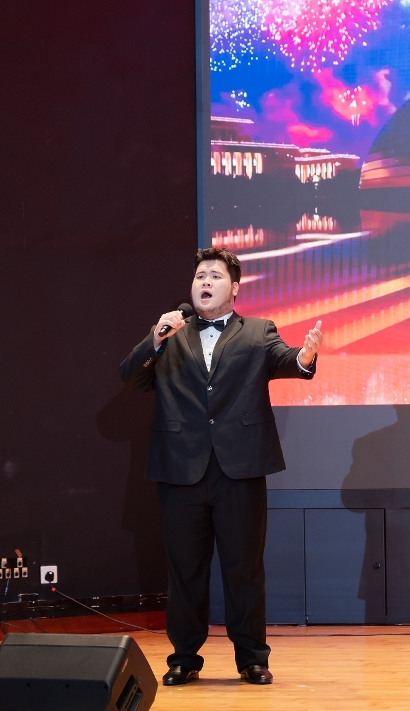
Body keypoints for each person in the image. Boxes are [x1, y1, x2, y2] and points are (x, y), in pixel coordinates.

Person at [120, 248, 323, 687]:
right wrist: (155, 339)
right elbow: (131, 377)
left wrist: (304, 357)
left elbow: (284, 359)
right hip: (180, 468)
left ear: (234, 288)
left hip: (239, 468)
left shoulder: (257, 331)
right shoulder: (171, 333)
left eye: (214, 276)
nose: (205, 282)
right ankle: (184, 658)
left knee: (243, 568)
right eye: (199, 276)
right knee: (184, 571)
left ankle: (252, 658)